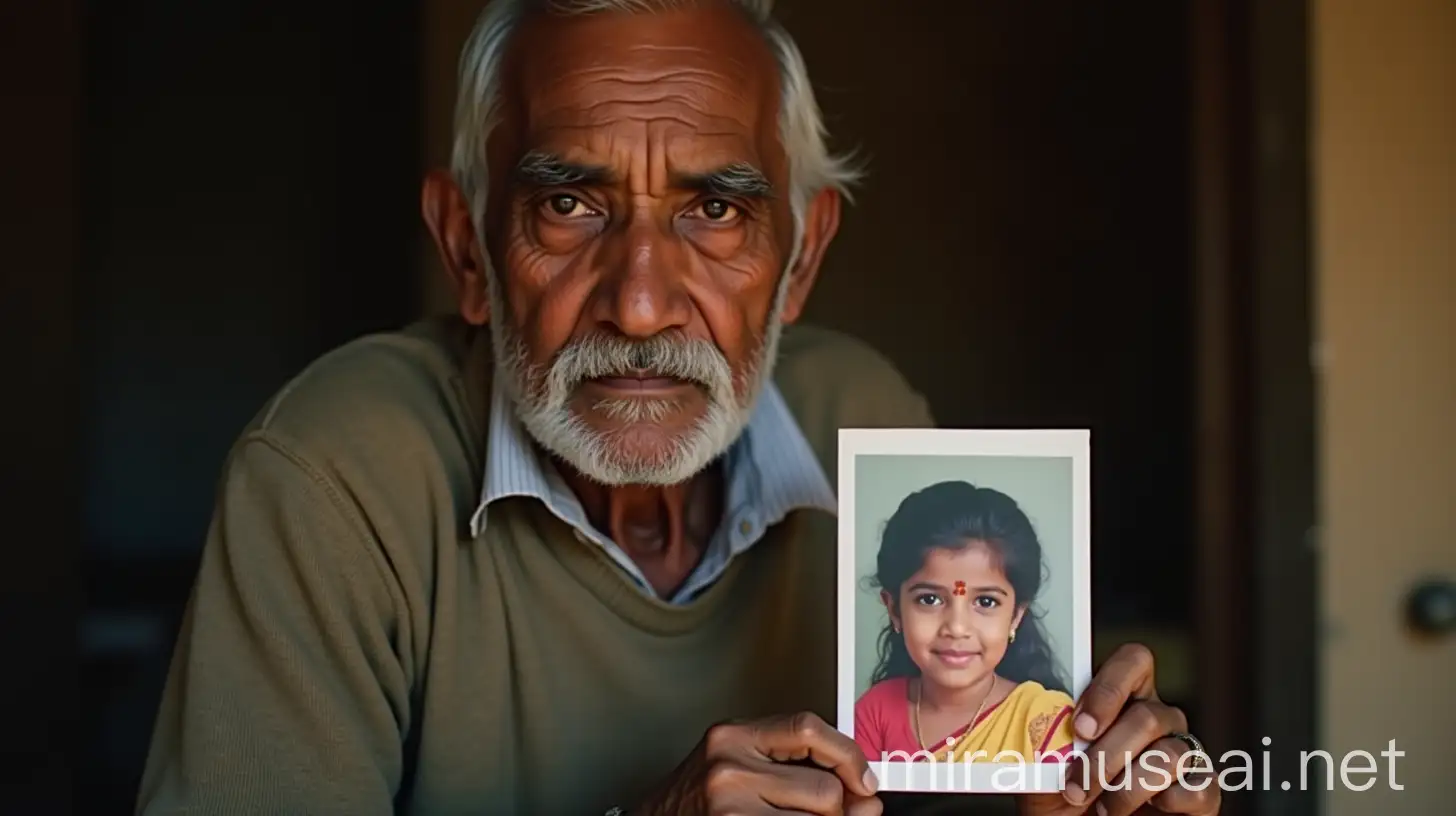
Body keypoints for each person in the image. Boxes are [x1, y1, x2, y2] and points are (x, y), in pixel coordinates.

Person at [135, 1, 1221, 815]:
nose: (643, 304)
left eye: (713, 209)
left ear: (798, 263)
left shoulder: (865, 421)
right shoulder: (337, 470)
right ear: (467, 248)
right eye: (568, 204)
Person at [854, 481, 1075, 768]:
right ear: (894, 609)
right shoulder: (875, 712)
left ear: (1016, 616)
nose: (957, 628)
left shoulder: (1046, 722)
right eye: (930, 599)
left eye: (985, 602)